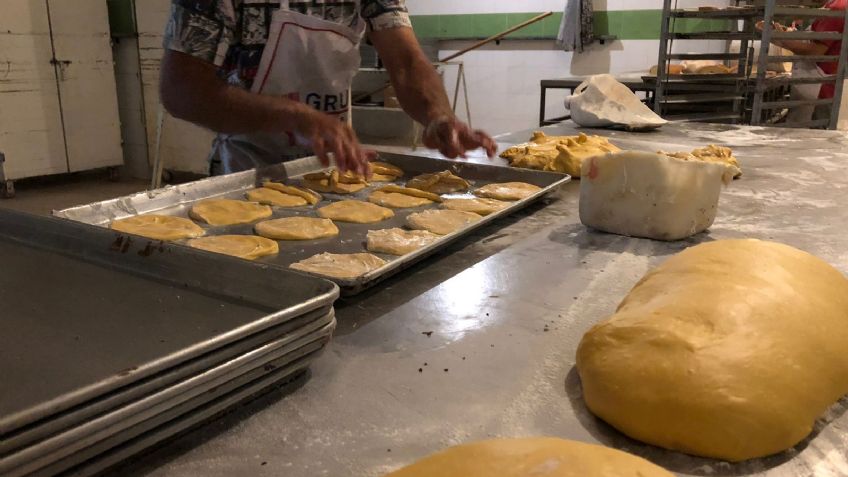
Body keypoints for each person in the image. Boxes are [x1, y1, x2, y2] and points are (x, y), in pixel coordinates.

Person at [159, 0, 496, 176]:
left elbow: (407, 64)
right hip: (247, 168)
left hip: (340, 168)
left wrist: (437, 116)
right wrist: (294, 115)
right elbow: (181, 89)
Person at [758, 0, 846, 122]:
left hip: (820, 88)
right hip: (816, 84)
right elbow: (815, 40)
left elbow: (815, 51)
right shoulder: (831, 6)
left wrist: (777, 38)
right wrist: (785, 33)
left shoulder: (838, 7)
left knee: (811, 136)